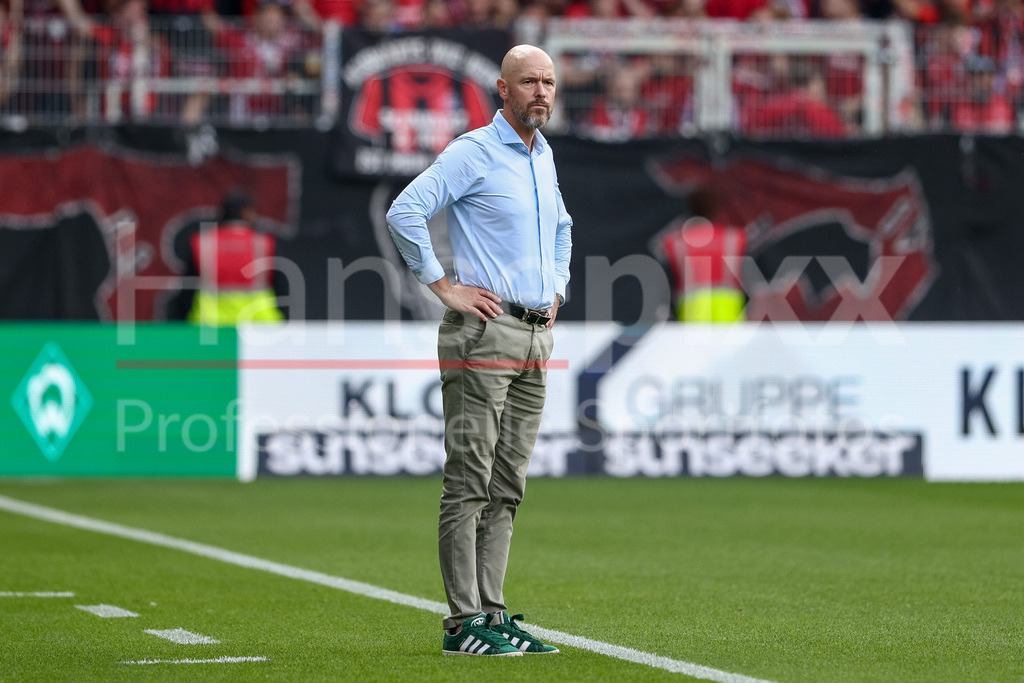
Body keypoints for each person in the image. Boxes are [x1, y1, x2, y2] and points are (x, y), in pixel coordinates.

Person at [386, 44, 571, 658]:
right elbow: (406, 211)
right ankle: (463, 623)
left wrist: (557, 287)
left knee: (507, 484)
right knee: (469, 480)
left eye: (548, 82)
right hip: (485, 333)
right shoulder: (474, 151)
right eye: (529, 81)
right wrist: (444, 287)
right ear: (502, 88)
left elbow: (563, 228)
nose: (541, 92)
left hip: (534, 334)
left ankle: (493, 613)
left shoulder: (542, 154)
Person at [179, 188, 286, 326]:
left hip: (210, 326)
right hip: (259, 326)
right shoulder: (264, 243)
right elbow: (282, 288)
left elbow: (186, 291)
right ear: (247, 212)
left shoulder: (203, 243)